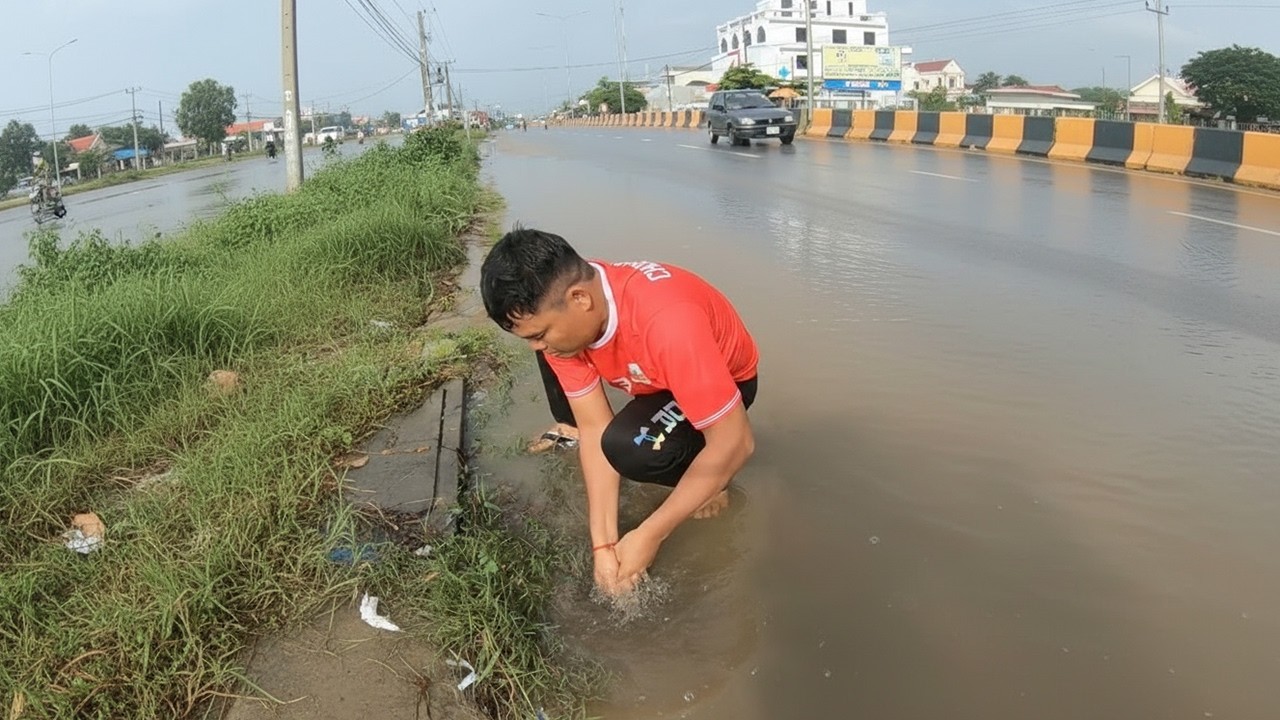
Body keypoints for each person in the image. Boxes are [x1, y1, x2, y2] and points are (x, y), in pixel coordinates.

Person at [479, 228, 759, 595]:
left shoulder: (668, 323)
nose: (537, 345)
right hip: (660, 379)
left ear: (580, 298)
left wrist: (651, 533)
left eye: (541, 333)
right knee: (592, 417)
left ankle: (712, 485)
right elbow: (594, 429)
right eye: (529, 336)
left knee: (632, 447)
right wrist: (603, 545)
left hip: (724, 381)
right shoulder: (570, 313)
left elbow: (738, 442)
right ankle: (693, 473)